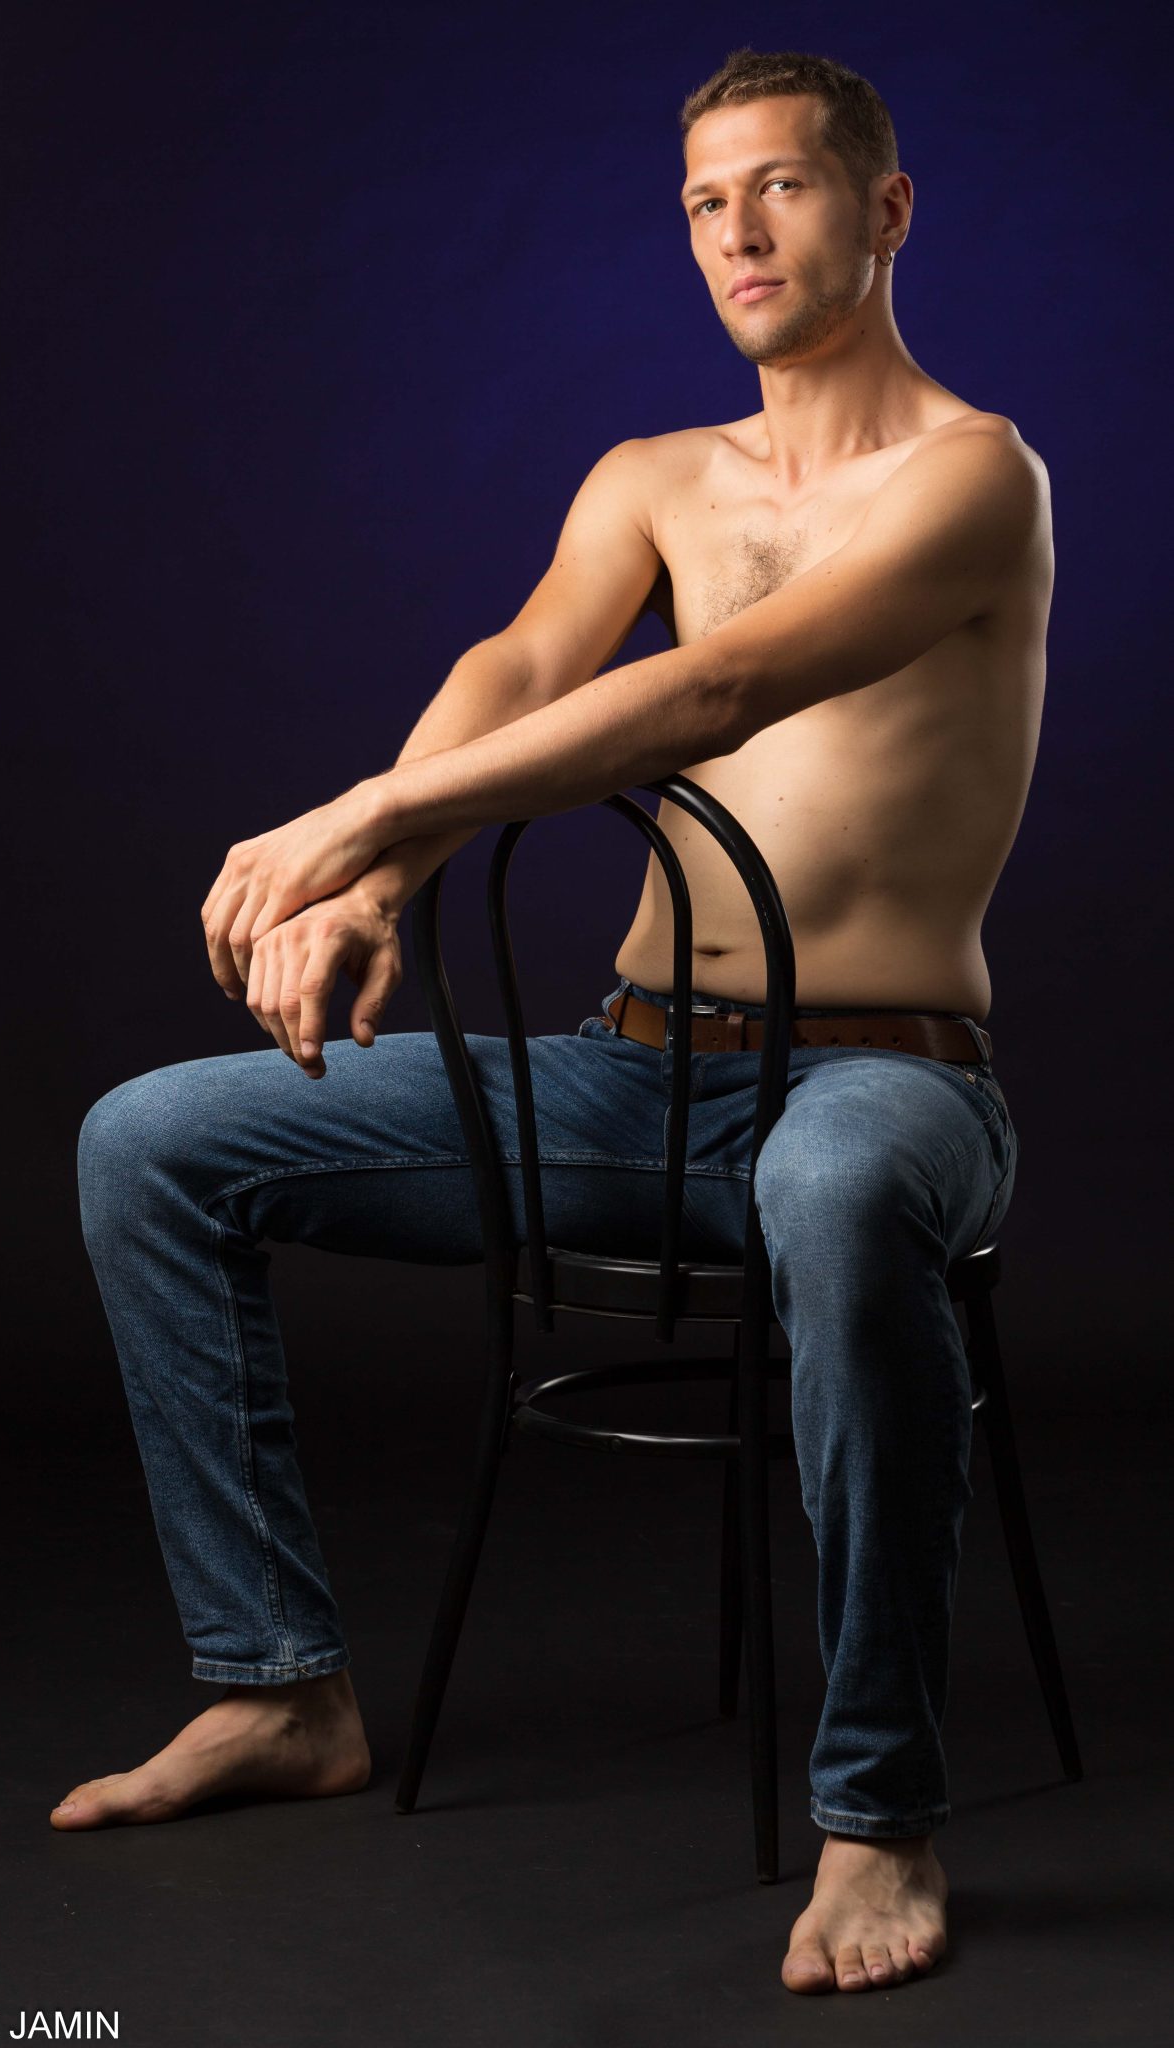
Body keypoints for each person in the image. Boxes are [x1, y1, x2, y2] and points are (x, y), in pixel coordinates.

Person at [55, 46, 1051, 2001]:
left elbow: (715, 690)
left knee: (839, 1197)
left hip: (884, 1084)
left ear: (882, 208)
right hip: (628, 1076)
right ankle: (279, 1689)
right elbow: (519, 664)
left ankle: (877, 1812)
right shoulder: (650, 477)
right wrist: (377, 892)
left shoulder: (971, 475)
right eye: (701, 201)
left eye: (777, 185)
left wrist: (358, 816)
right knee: (146, 1143)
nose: (735, 231)